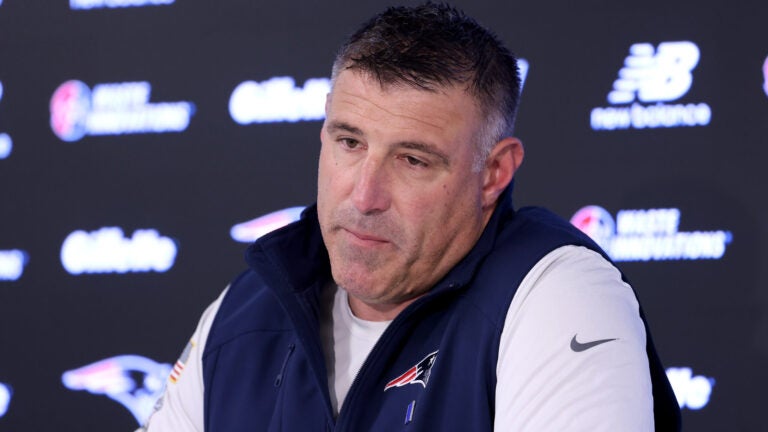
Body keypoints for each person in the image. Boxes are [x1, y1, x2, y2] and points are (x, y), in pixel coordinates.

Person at [140, 3, 681, 431]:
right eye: (350, 142)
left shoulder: (556, 293)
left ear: (494, 173)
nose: (365, 196)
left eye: (413, 160)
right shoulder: (243, 311)